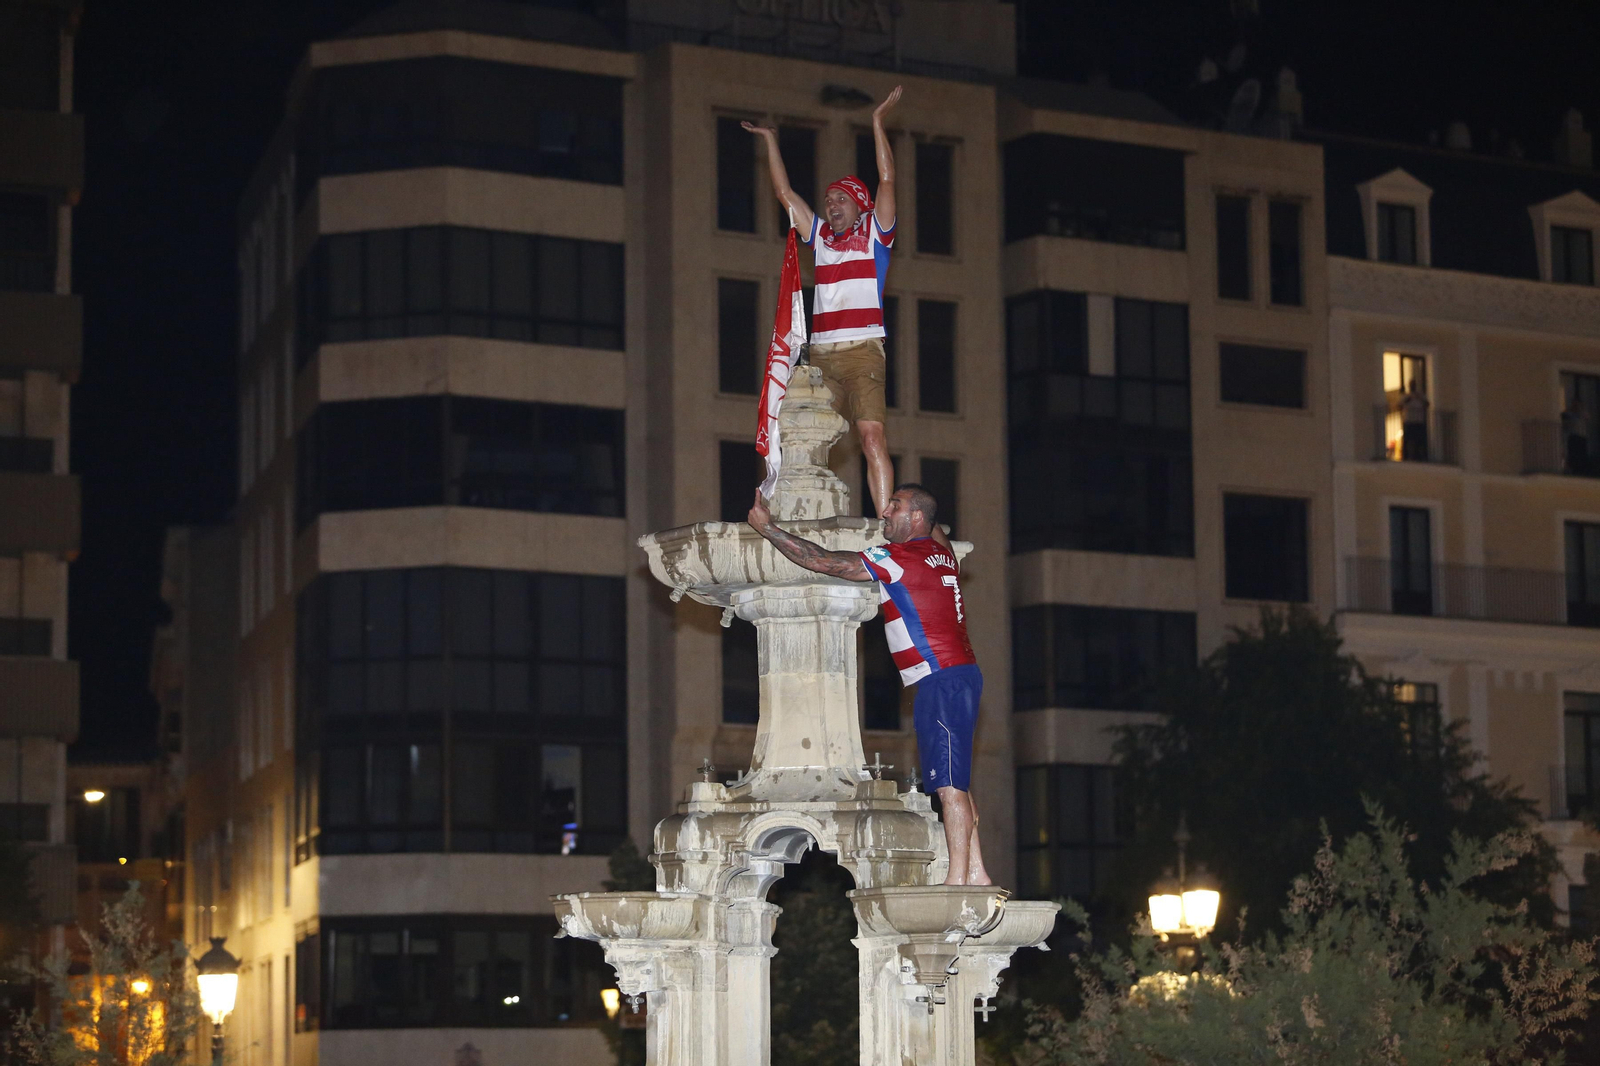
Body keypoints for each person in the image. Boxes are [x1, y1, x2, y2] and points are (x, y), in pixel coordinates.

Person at [747, 483, 989, 886]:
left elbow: (825, 562)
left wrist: (768, 528)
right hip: (960, 674)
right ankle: (977, 872)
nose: (884, 512)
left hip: (939, 679)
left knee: (947, 787)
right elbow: (935, 524)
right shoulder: (943, 557)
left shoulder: (898, 557)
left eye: (894, 506)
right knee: (957, 780)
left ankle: (957, 882)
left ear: (916, 520)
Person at [744, 87, 902, 520]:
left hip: (863, 351)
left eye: (840, 199)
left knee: (871, 438)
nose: (831, 205)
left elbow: (887, 180)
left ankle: (886, 524)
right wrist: (770, 141)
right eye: (828, 200)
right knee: (795, 432)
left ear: (860, 205)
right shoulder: (820, 240)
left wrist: (876, 124)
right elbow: (784, 194)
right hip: (821, 357)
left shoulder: (876, 234)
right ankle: (789, 512)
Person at [1400, 378, 1430, 461]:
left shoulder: (1420, 395)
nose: (1412, 386)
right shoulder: (1406, 396)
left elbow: (1427, 404)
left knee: (1419, 440)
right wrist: (1409, 398)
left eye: (1413, 385)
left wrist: (1418, 397)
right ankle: (1408, 456)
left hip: (1419, 421)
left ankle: (1420, 456)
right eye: (1411, 385)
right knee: (1409, 440)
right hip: (1409, 420)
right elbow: (1400, 405)